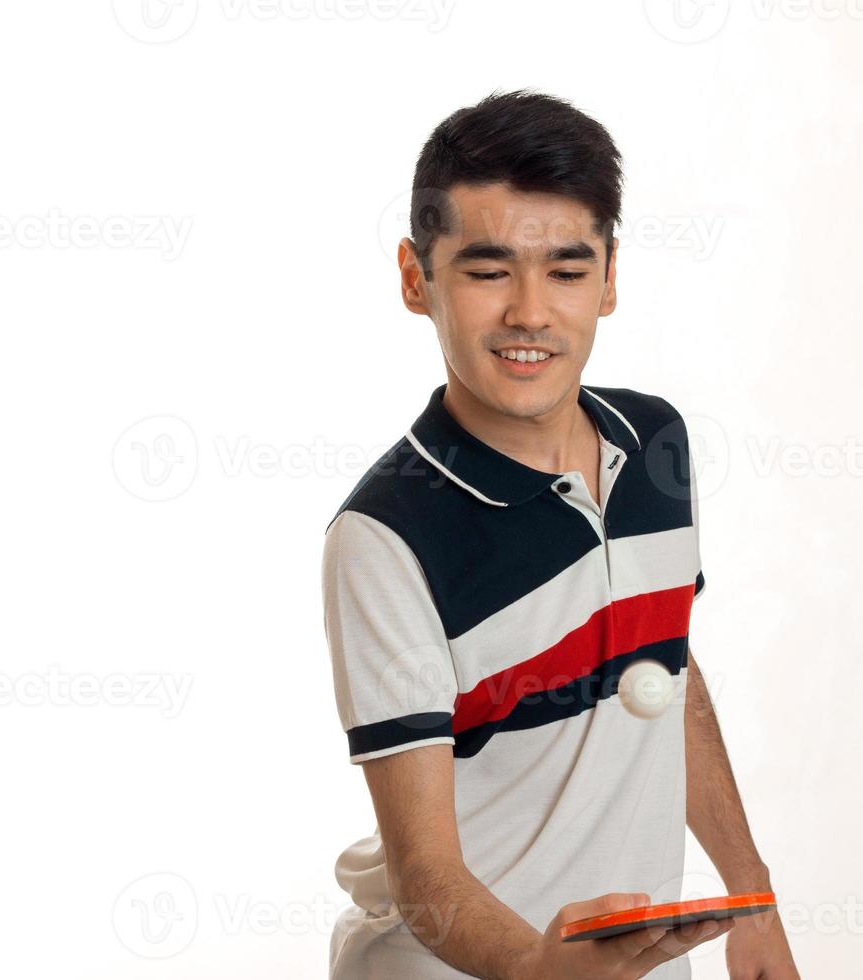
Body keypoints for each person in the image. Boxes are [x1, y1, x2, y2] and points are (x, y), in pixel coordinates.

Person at [321, 88, 799, 979]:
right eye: (488, 269)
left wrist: (753, 894)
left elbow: (664, 669)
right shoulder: (385, 536)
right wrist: (541, 968)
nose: (531, 312)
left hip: (637, 960)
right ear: (415, 277)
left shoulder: (655, 443)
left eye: (568, 271)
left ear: (611, 278)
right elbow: (426, 876)